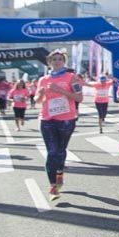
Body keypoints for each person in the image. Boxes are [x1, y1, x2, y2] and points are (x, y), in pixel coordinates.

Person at [37, 50, 84, 199]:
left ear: (64, 62)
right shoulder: (43, 79)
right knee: (52, 152)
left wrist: (60, 90)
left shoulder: (72, 77)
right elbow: (37, 100)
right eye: (54, 59)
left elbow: (79, 98)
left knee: (60, 150)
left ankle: (60, 173)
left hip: (66, 119)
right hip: (47, 119)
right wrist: (43, 93)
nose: (57, 61)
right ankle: (53, 186)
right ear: (49, 62)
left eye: (60, 59)